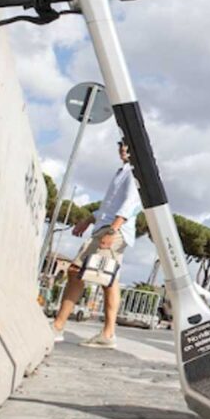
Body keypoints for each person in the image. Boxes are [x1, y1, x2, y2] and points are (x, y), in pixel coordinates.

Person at [50, 139, 142, 349]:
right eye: (121, 145)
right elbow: (109, 205)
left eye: (128, 145)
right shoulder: (122, 172)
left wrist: (113, 229)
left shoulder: (135, 172)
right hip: (106, 227)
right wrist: (89, 219)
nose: (123, 149)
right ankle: (104, 333)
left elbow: (132, 204)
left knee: (83, 273)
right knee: (106, 280)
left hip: (113, 231)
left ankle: (59, 326)